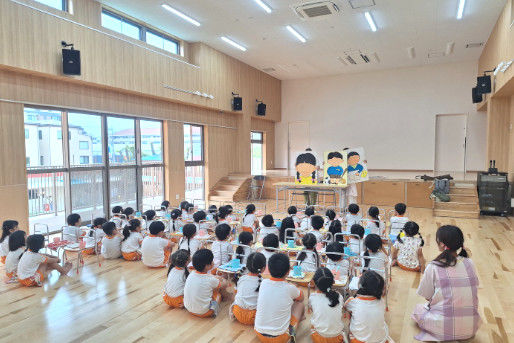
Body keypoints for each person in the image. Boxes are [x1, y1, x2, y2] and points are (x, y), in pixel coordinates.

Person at [412, 225, 481, 342]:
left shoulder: (433, 266)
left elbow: (427, 296)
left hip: (443, 329)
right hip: (471, 328)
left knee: (417, 310)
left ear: (442, 244)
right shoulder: (470, 263)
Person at [254, 253, 305, 342]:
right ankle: (293, 333)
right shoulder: (289, 288)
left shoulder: (263, 283)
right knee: (300, 305)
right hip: (280, 337)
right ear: (288, 272)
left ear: (268, 269)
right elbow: (301, 298)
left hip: (258, 333)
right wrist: (295, 287)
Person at [344, 271, 390, 343]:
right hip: (381, 340)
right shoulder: (381, 301)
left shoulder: (353, 302)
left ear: (361, 285)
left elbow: (345, 307)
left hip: (359, 340)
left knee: (349, 313)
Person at [183, 249, 231, 318]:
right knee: (218, 292)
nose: (213, 262)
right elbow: (223, 285)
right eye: (212, 261)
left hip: (189, 308)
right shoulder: (210, 280)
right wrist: (225, 280)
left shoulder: (192, 274)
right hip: (205, 312)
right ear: (207, 266)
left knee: (212, 286)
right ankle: (227, 298)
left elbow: (208, 277)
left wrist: (216, 277)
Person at [309, 268, 345, 342]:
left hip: (319, 338)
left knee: (312, 322)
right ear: (333, 282)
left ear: (314, 282)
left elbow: (312, 310)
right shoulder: (339, 296)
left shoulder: (313, 297)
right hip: (337, 337)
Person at [231, 252, 266, 325]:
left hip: (237, 312)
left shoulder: (241, 278)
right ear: (263, 268)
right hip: (253, 317)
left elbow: (236, 293)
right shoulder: (263, 283)